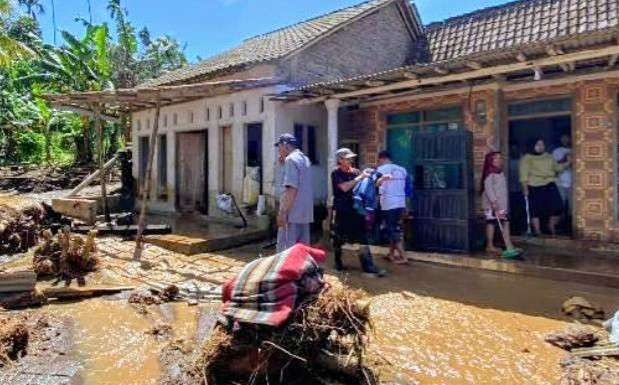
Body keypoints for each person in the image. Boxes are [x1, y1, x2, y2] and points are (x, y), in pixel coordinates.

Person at [331, 148, 386, 277]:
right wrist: (360, 177)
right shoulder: (336, 173)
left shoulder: (355, 172)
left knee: (362, 238)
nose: (350, 160)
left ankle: (368, 266)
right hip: (342, 211)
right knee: (338, 238)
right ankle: (338, 264)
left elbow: (366, 185)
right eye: (347, 158)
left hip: (356, 210)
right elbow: (344, 187)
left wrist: (380, 181)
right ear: (340, 160)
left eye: (351, 158)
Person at [519, 138, 570, 236]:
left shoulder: (549, 157)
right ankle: (538, 231)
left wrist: (567, 163)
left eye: (542, 144)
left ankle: (551, 225)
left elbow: (557, 168)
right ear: (532, 145)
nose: (540, 147)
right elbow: (523, 174)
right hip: (534, 185)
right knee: (535, 210)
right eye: (538, 144)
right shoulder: (527, 158)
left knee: (558, 207)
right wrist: (525, 188)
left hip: (550, 184)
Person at [275, 133, 313, 252]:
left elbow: (291, 188)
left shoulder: (290, 160)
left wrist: (283, 213)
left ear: (285, 145)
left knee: (286, 252)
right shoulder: (305, 159)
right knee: (301, 252)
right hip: (305, 214)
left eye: (279, 146)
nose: (278, 150)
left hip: (292, 215)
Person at [376, 150, 408, 264]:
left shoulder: (381, 170)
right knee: (395, 228)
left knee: (391, 230)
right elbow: (405, 187)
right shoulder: (402, 170)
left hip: (389, 204)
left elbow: (376, 185)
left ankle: (403, 257)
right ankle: (391, 254)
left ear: (382, 159)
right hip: (401, 203)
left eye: (379, 160)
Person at [481, 152, 516, 254]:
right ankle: (490, 245)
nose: (499, 160)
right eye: (496, 158)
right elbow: (489, 189)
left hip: (501, 204)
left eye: (500, 158)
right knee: (491, 223)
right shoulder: (489, 173)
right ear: (490, 161)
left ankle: (508, 244)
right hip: (493, 205)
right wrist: (494, 202)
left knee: (505, 222)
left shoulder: (499, 172)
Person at [552, 134, 572, 224]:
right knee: (560, 206)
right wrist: (564, 159)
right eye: (563, 138)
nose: (565, 140)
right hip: (560, 183)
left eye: (567, 137)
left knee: (573, 206)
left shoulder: (575, 149)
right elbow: (553, 166)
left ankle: (570, 226)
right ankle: (558, 226)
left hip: (574, 183)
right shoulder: (557, 151)